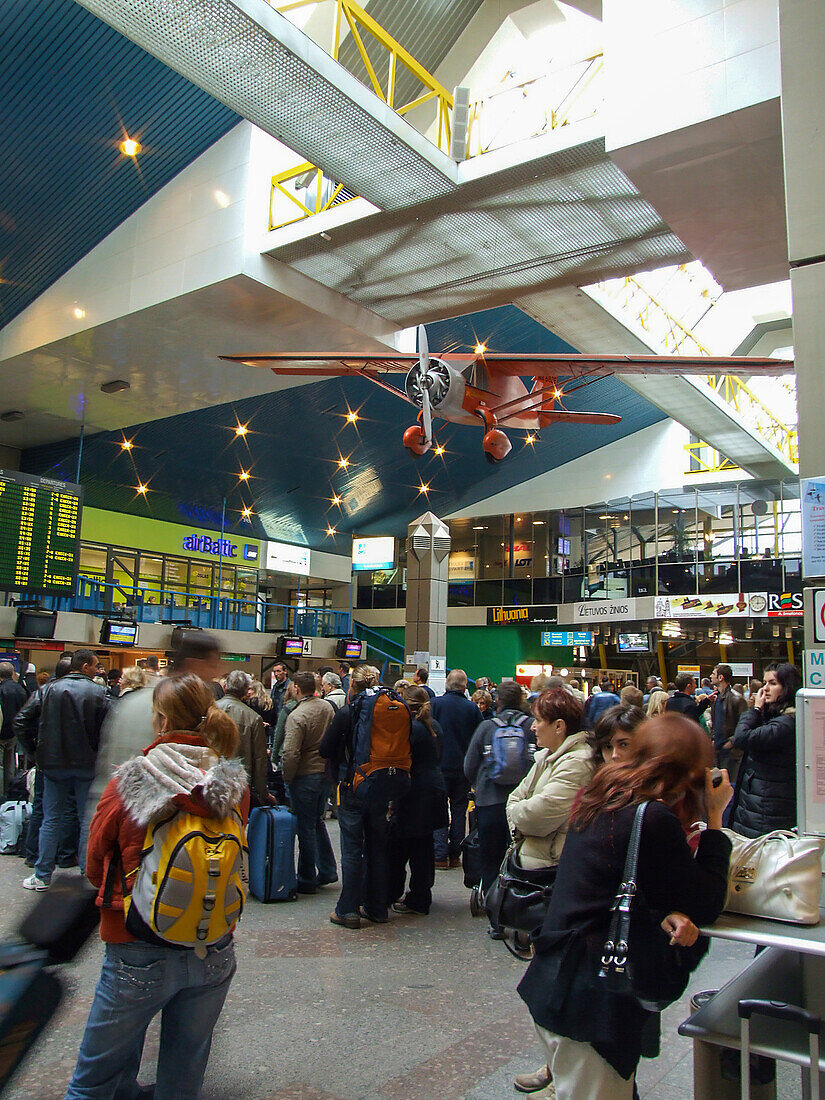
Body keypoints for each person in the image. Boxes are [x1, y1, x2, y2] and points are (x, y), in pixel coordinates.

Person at [517, 715, 733, 1100]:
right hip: (592, 1002)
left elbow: (610, 882)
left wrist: (659, 911)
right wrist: (715, 817)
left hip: (558, 980)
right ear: (689, 771)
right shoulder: (652, 817)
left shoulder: (605, 794)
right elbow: (706, 900)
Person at [66, 674, 248, 1100]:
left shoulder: (133, 778)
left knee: (94, 1080)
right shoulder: (232, 784)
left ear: (161, 720)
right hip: (213, 943)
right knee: (183, 1080)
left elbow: (95, 862)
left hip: (137, 943)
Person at [16, 649, 110, 890]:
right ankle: (87, 876)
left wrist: (35, 752)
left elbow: (21, 721)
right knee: (86, 820)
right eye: (96, 665)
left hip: (53, 764)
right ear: (86, 666)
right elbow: (108, 727)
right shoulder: (99, 692)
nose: (98, 670)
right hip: (86, 765)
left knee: (50, 819)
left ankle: (42, 874)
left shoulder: (47, 689)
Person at [319, 665, 399, 928]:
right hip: (381, 787)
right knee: (377, 848)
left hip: (353, 787)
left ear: (352, 685)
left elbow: (325, 749)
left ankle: (348, 910)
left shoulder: (347, 713)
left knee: (352, 850)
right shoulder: (389, 709)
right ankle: (377, 907)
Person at [463, 680, 536, 904]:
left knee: (490, 855)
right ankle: (517, 904)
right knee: (522, 855)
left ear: (498, 701)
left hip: (489, 801)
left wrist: (479, 785)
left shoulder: (487, 727)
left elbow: (469, 765)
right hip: (524, 802)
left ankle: (493, 907)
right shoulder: (531, 726)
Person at [387, 686, 447, 915]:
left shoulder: (411, 728)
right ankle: (420, 894)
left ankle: (401, 894)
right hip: (432, 789)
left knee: (401, 845)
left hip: (414, 793)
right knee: (423, 846)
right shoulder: (434, 726)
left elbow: (402, 759)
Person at [727, 663, 801, 838]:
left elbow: (742, 737)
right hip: (757, 804)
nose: (765, 689)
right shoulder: (775, 717)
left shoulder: (786, 723)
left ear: (787, 687)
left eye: (773, 683)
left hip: (766, 811)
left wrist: (755, 709)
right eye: (764, 683)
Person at [282, 670, 337, 893]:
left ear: (296, 688)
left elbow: (290, 753)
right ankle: (328, 869)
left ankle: (306, 877)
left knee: (305, 827)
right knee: (317, 822)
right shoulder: (327, 708)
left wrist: (287, 776)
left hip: (304, 775)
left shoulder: (297, 716)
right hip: (325, 774)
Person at [431, 670, 483, 870]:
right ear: (464, 687)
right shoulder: (472, 709)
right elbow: (478, 740)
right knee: (459, 810)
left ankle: (439, 855)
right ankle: (455, 854)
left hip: (439, 767)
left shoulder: (435, 705)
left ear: (446, 685)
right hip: (463, 769)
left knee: (439, 809)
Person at [216, 671, 271, 808]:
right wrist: (262, 791)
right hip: (240, 783)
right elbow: (260, 757)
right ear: (246, 691)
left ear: (224, 687)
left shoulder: (209, 711)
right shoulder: (253, 718)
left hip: (211, 778)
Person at [711, 663, 746, 778]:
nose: (711, 676)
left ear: (721, 677)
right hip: (718, 750)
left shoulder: (737, 699)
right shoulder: (716, 699)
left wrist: (731, 743)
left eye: (713, 674)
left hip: (731, 752)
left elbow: (744, 725)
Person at [0, 661, 28, 796]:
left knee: (0, 765)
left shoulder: (0, 689)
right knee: (10, 764)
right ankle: (9, 792)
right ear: (12, 673)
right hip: (13, 732)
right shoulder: (20, 689)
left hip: (1, 732)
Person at [271, 680, 300, 767]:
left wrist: (274, 757)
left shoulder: (287, 708)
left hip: (286, 750)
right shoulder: (307, 707)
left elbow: (279, 733)